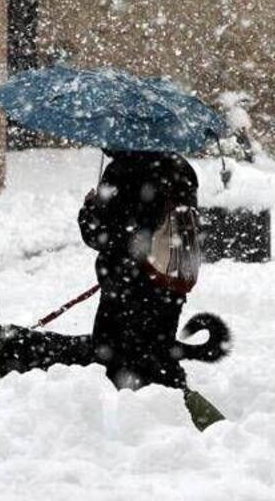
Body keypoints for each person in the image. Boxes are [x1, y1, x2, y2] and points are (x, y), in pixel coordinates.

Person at [78, 148, 200, 390]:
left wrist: (89, 210)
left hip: (125, 287)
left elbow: (102, 236)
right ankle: (174, 409)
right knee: (159, 357)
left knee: (114, 365)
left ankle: (127, 418)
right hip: (167, 278)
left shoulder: (121, 170)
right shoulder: (182, 168)